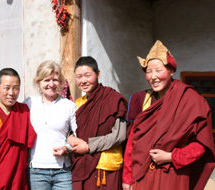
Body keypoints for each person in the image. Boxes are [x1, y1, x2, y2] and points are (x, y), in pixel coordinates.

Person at [122, 40, 215, 190]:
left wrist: (171, 156)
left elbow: (202, 144)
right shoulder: (142, 99)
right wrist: (127, 177)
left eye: (158, 70)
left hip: (174, 173)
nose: (153, 77)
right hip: (142, 174)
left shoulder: (190, 100)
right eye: (148, 71)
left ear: (171, 70)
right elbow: (133, 142)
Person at [0, 61, 77, 190]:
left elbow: (74, 133)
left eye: (16, 88)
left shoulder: (24, 109)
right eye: (6, 88)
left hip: (20, 179)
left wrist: (67, 146)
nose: (11, 93)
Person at [69, 56, 128, 190]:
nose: (83, 81)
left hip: (107, 168)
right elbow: (71, 132)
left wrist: (89, 146)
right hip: (82, 166)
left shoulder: (113, 99)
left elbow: (119, 135)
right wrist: (69, 138)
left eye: (87, 75)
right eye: (79, 77)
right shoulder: (77, 104)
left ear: (98, 74)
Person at [25, 61, 77, 190]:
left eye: (55, 80)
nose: (51, 84)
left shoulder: (69, 105)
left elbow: (78, 135)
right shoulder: (29, 103)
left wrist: (67, 148)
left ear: (60, 82)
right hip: (36, 171)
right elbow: (10, 117)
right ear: (38, 82)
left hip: (63, 172)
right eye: (46, 80)